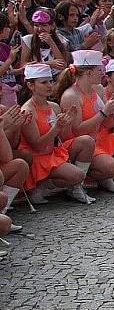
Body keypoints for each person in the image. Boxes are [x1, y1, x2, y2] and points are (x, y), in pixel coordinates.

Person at [54, 51, 114, 199]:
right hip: (76, 143)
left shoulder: (98, 89)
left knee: (112, 166)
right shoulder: (71, 95)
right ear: (89, 72)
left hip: (93, 140)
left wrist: (113, 110)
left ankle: (99, 178)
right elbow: (77, 130)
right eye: (99, 70)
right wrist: (104, 112)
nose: (101, 73)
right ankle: (76, 185)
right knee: (97, 153)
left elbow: (107, 123)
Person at [19, 65, 96, 205]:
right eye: (44, 82)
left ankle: (73, 187)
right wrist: (56, 128)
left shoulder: (53, 106)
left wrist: (67, 123)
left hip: (52, 153)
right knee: (76, 174)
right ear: (31, 85)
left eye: (50, 81)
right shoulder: (28, 110)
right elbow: (37, 145)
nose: (49, 85)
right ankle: (38, 183)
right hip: (36, 158)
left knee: (87, 142)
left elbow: (63, 137)